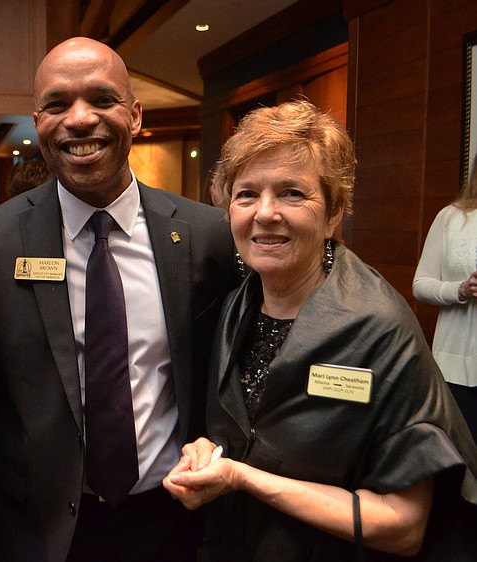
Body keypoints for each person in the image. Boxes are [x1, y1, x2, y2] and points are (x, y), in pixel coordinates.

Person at [163, 100, 477, 561]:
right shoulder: (237, 303)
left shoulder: (378, 328)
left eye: (292, 193)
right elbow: (256, 433)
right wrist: (211, 451)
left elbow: (403, 525)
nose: (265, 213)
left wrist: (243, 477)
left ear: (334, 214)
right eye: (246, 194)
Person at [0, 37, 237, 562]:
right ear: (37, 119)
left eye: (102, 99)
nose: (79, 120)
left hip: (172, 519)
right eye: (57, 105)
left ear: (134, 115)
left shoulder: (206, 235)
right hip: (42, 530)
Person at [413, 154, 477, 441]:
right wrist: (460, 290)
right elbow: (421, 285)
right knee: (458, 463)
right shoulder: (452, 218)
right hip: (455, 366)